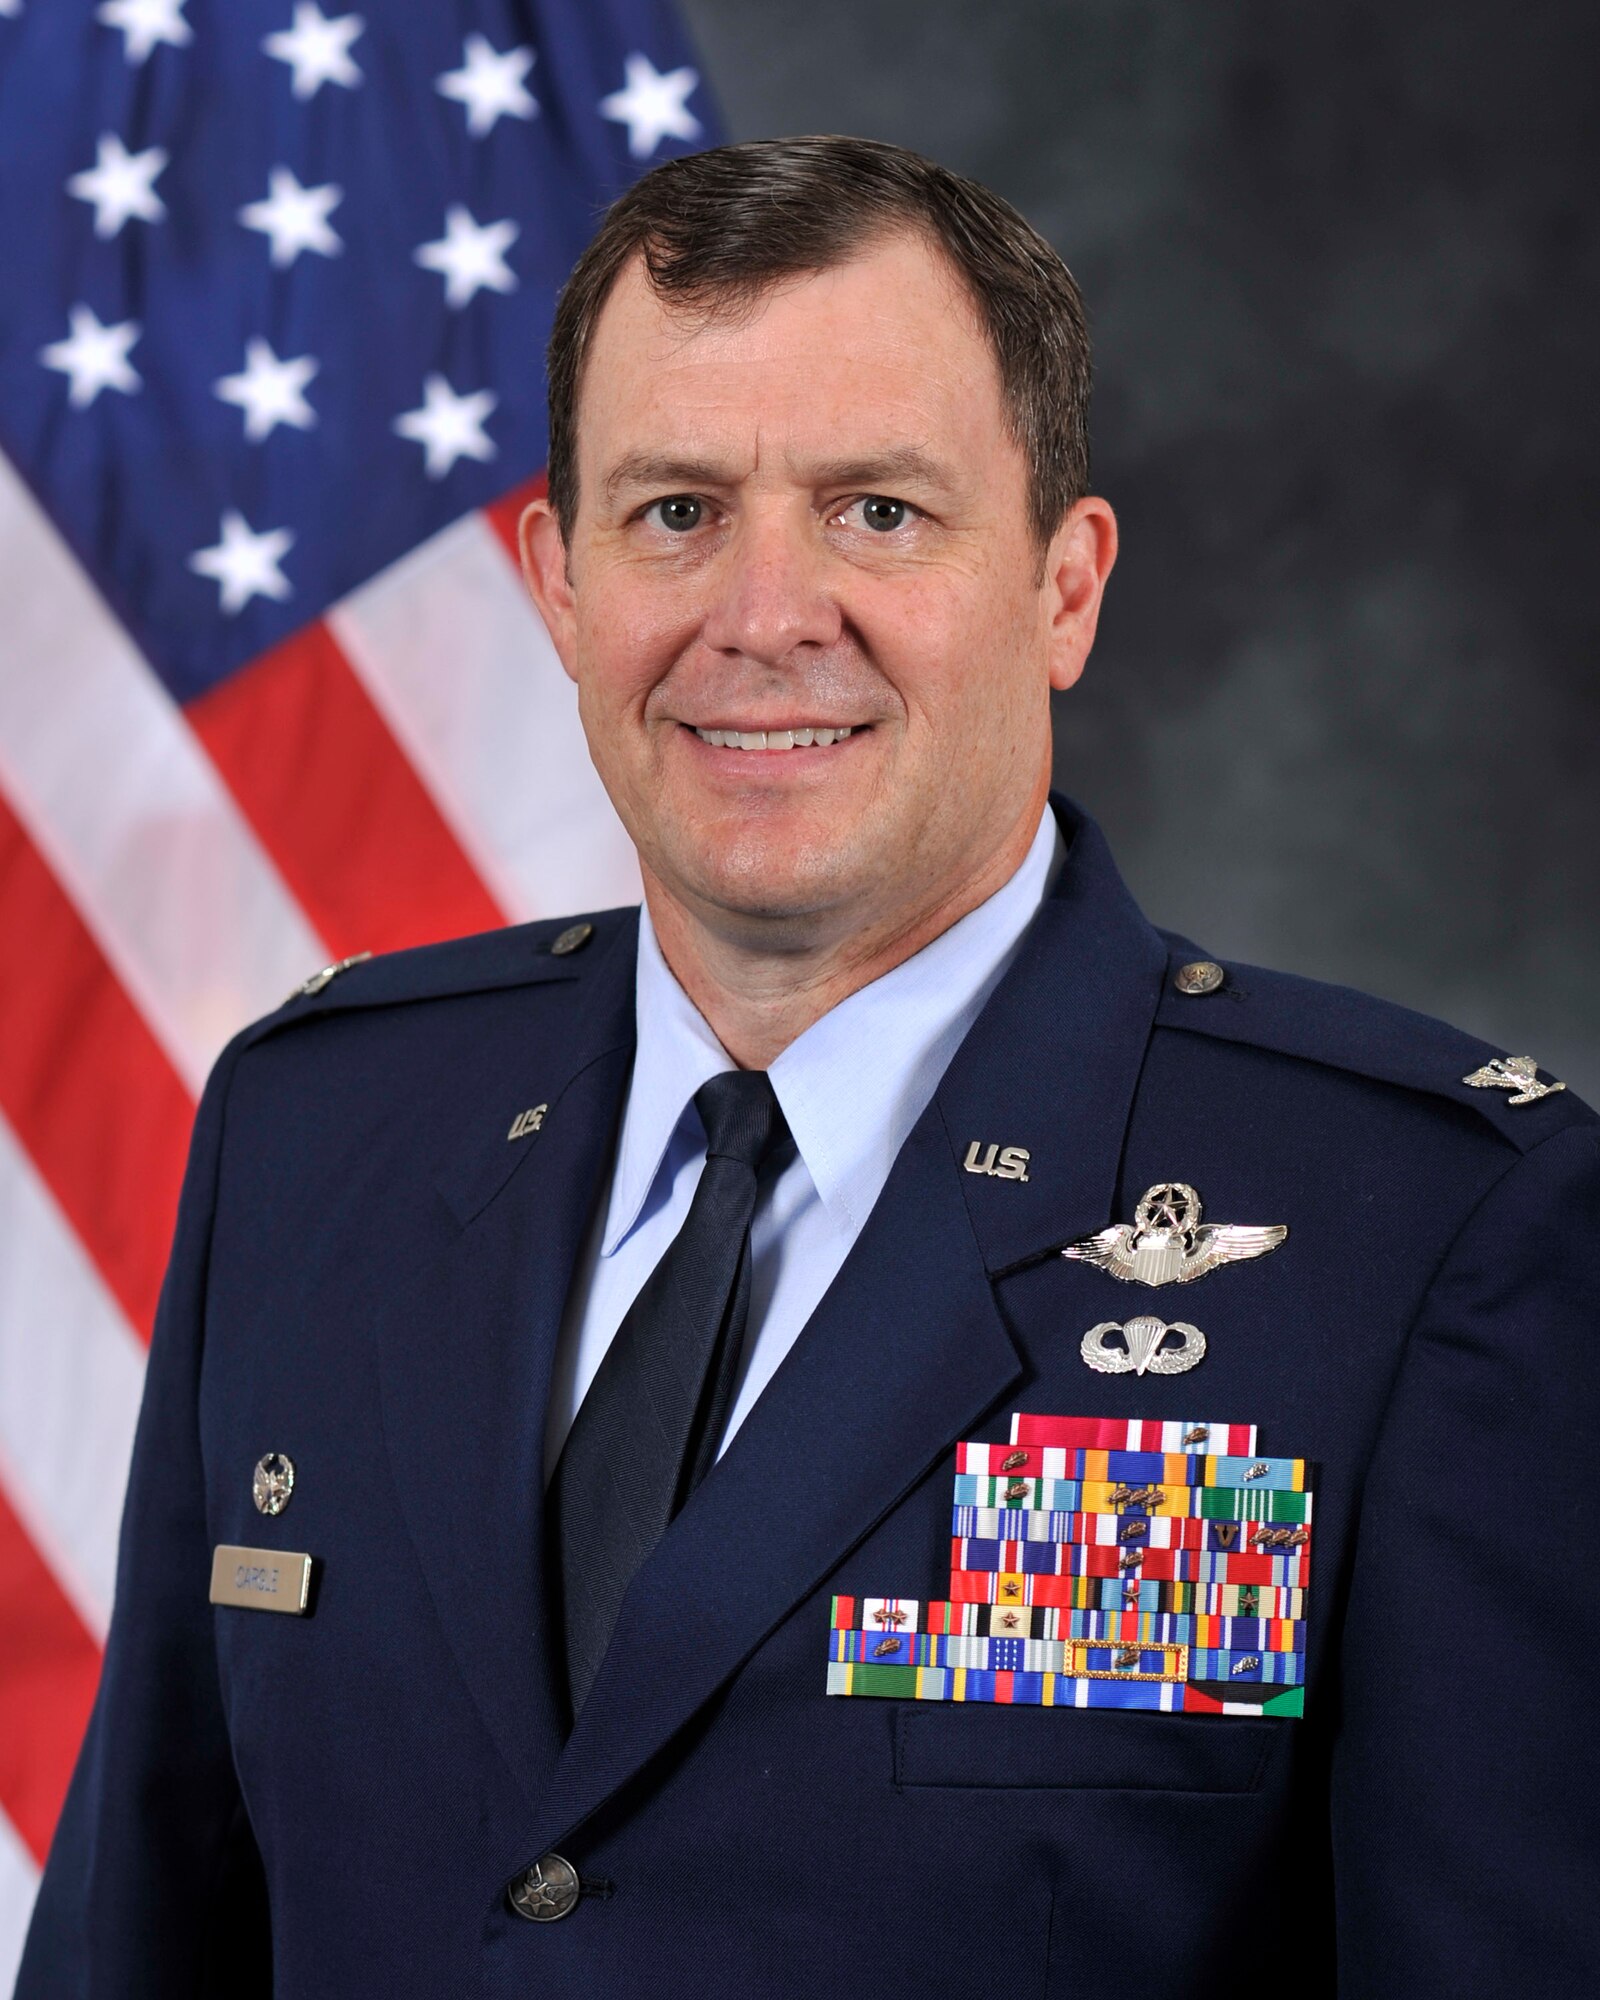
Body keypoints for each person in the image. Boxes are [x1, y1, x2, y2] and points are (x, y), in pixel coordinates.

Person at [18, 136, 1599, 2000]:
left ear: (1063, 587)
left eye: (878, 512)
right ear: (557, 585)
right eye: (676, 511)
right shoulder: (319, 1133)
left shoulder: (1425, 1232)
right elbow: (145, 1938)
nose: (764, 616)